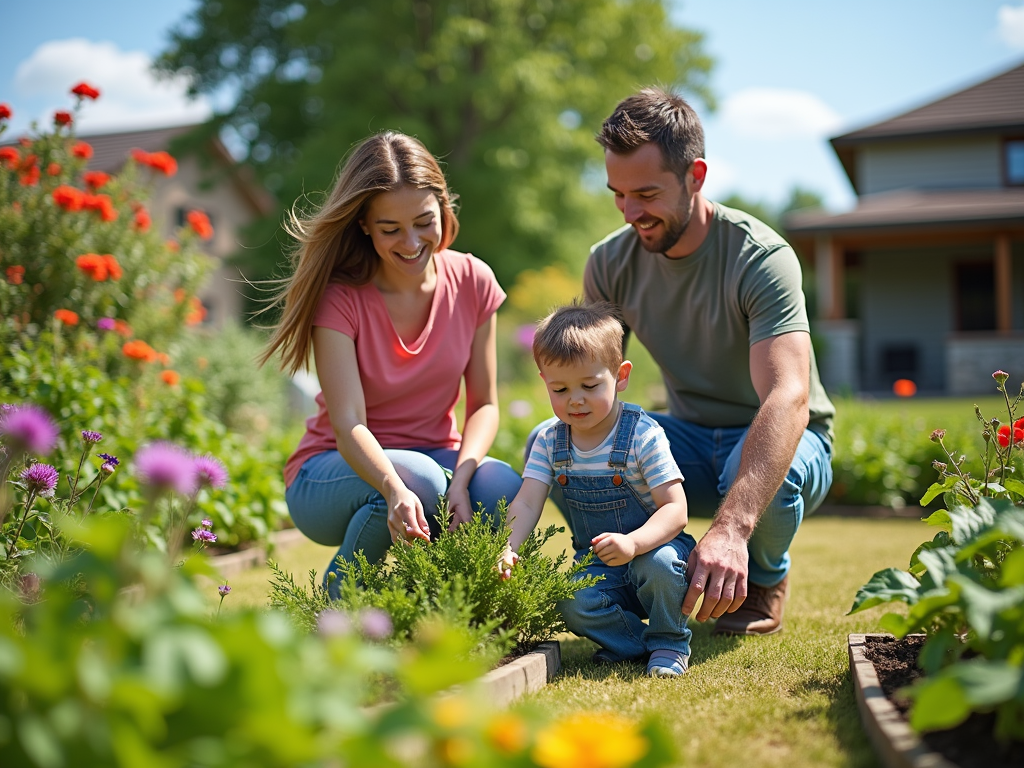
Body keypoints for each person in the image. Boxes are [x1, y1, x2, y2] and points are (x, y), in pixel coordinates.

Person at [572, 87, 835, 636]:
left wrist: (733, 528)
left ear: (696, 175)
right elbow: (589, 378)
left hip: (776, 436)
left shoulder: (760, 257)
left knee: (762, 461)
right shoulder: (609, 262)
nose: (630, 212)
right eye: (618, 194)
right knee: (569, 447)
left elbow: (789, 397)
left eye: (646, 193)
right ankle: (629, 575)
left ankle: (762, 578)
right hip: (688, 435)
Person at [259, 131, 522, 594]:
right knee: (416, 480)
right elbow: (348, 423)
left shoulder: (474, 280)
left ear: (443, 206)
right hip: (329, 471)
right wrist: (394, 487)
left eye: (424, 221)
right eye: (390, 229)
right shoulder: (340, 298)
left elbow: (484, 404)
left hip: (434, 460)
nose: (411, 242)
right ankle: (339, 603)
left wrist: (461, 479)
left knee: (501, 485)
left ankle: (450, 603)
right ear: (363, 225)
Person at [504, 301, 694, 677]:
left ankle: (670, 642)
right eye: (560, 389)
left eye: (590, 386)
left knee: (658, 566)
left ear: (620, 376)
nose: (575, 399)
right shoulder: (549, 441)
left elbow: (675, 509)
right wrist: (506, 549)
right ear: (544, 380)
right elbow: (526, 503)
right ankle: (633, 645)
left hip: (655, 550)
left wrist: (635, 544)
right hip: (599, 563)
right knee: (571, 600)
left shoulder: (642, 435)